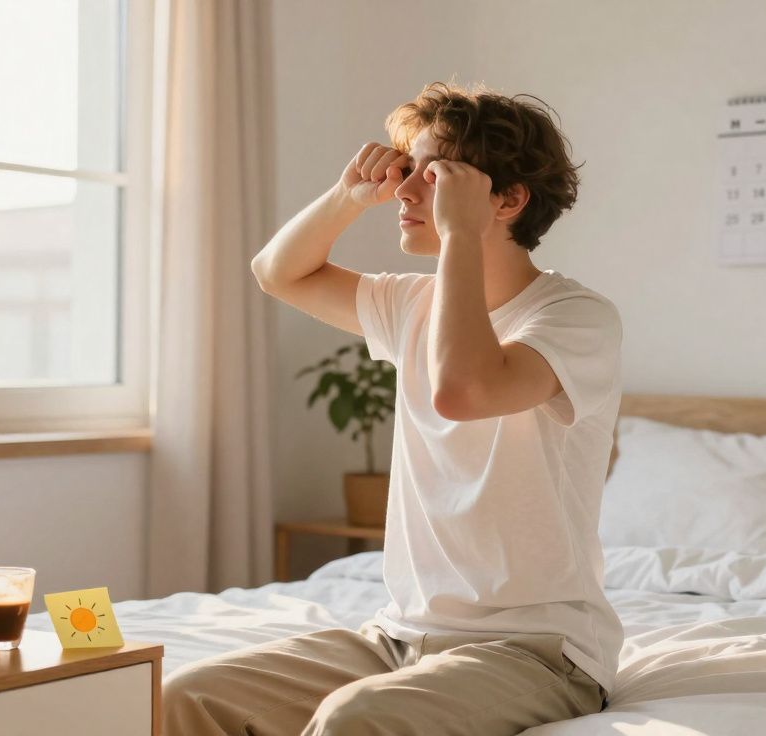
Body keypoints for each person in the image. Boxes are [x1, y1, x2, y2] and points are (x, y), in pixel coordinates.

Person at [165, 81, 623, 735]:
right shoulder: (410, 303)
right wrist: (349, 196)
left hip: (538, 653)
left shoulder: (576, 319)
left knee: (356, 720)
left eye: (432, 177)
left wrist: (460, 234)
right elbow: (277, 272)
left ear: (509, 199)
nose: (404, 194)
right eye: (406, 173)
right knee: (185, 696)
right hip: (399, 636)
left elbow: (463, 390)